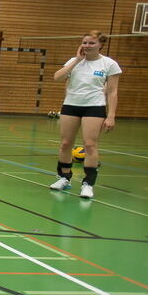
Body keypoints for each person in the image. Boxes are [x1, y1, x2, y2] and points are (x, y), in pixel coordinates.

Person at [48, 30, 121, 199]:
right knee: (65, 144)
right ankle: (64, 177)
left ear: (100, 45)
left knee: (90, 145)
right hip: (71, 105)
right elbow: (57, 78)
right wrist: (76, 61)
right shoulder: (74, 61)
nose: (87, 46)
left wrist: (111, 115)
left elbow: (112, 92)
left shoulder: (109, 64)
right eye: (85, 42)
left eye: (91, 43)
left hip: (94, 107)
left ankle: (88, 184)